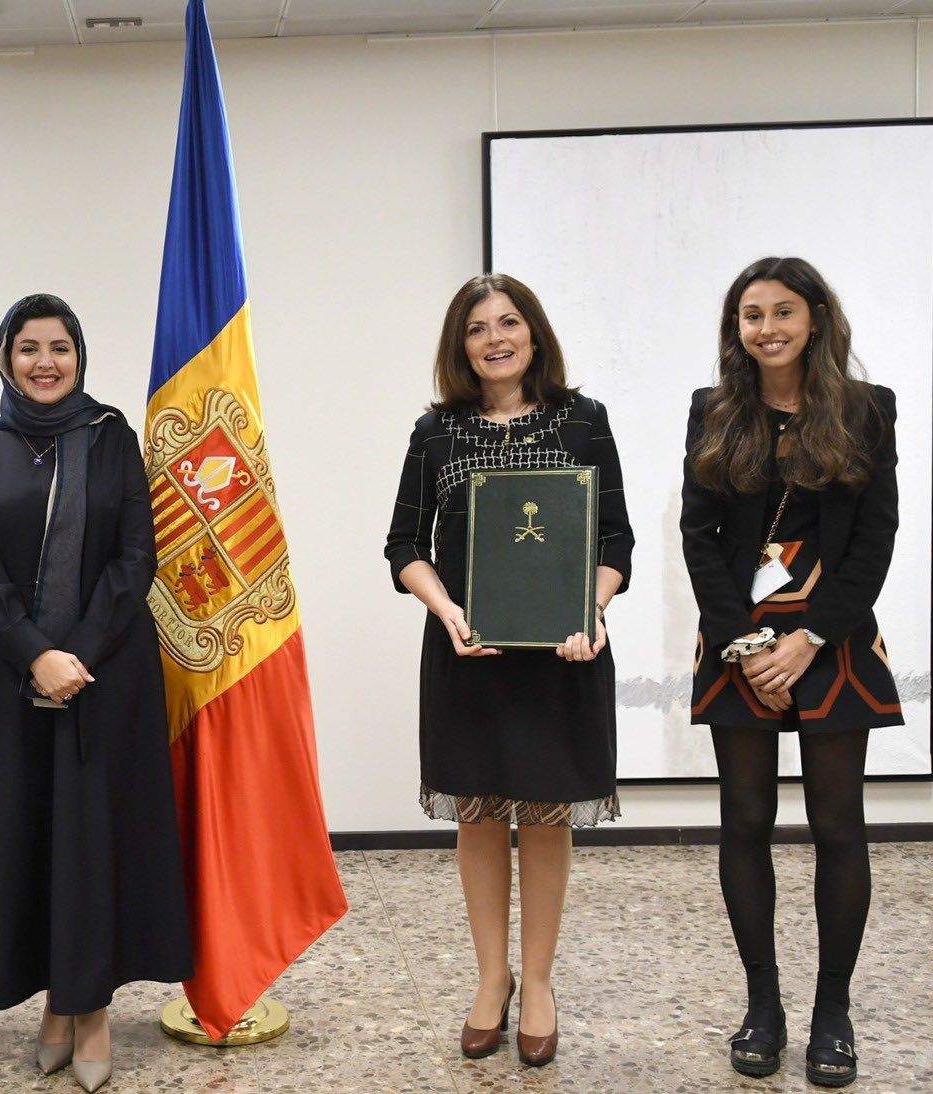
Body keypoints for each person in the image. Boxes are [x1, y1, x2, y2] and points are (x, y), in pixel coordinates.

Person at [0, 294, 192, 1092]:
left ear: (80, 357)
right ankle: (53, 1000)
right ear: (6, 358)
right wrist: (34, 653)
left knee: (92, 840)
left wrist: (75, 652)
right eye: (27, 348)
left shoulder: (110, 438)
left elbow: (133, 558)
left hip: (106, 671)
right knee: (27, 834)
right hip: (4, 677)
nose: (45, 362)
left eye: (60, 348)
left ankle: (90, 1010)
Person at [384, 273, 632, 1068]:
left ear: (534, 332)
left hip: (563, 656)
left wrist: (589, 609)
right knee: (480, 815)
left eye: (509, 323)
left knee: (546, 816)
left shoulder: (584, 421)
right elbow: (404, 548)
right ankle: (492, 980)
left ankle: (544, 981)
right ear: (460, 346)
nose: (495, 339)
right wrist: (447, 610)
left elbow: (615, 544)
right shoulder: (435, 432)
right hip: (470, 655)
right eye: (478, 328)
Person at [680, 256, 900, 1089]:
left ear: (814, 317)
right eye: (749, 315)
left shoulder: (864, 410)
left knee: (839, 828)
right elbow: (698, 534)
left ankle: (832, 1013)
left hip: (831, 635)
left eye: (780, 312)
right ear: (736, 329)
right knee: (745, 823)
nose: (765, 327)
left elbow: (875, 539)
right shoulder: (714, 411)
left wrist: (809, 638)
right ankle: (763, 1006)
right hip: (739, 639)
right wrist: (741, 643)